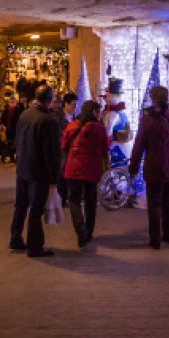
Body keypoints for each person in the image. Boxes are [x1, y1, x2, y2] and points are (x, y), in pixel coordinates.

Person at [129, 86, 169, 250]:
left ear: (153, 99)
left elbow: (138, 146)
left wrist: (133, 167)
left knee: (154, 204)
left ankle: (155, 239)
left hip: (154, 167)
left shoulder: (147, 120)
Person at [9, 85, 62, 257]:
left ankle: (15, 239)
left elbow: (17, 140)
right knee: (35, 210)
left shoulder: (25, 114)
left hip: (23, 168)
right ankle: (35, 246)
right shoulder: (48, 121)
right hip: (37, 172)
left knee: (21, 206)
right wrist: (54, 177)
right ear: (50, 100)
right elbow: (51, 153)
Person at [62, 100, 108, 247]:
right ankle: (88, 232)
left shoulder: (73, 125)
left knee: (74, 200)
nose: (100, 114)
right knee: (90, 201)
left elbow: (64, 145)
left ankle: (80, 229)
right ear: (94, 112)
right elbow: (104, 150)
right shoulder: (100, 128)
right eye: (98, 111)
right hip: (91, 169)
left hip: (74, 168)